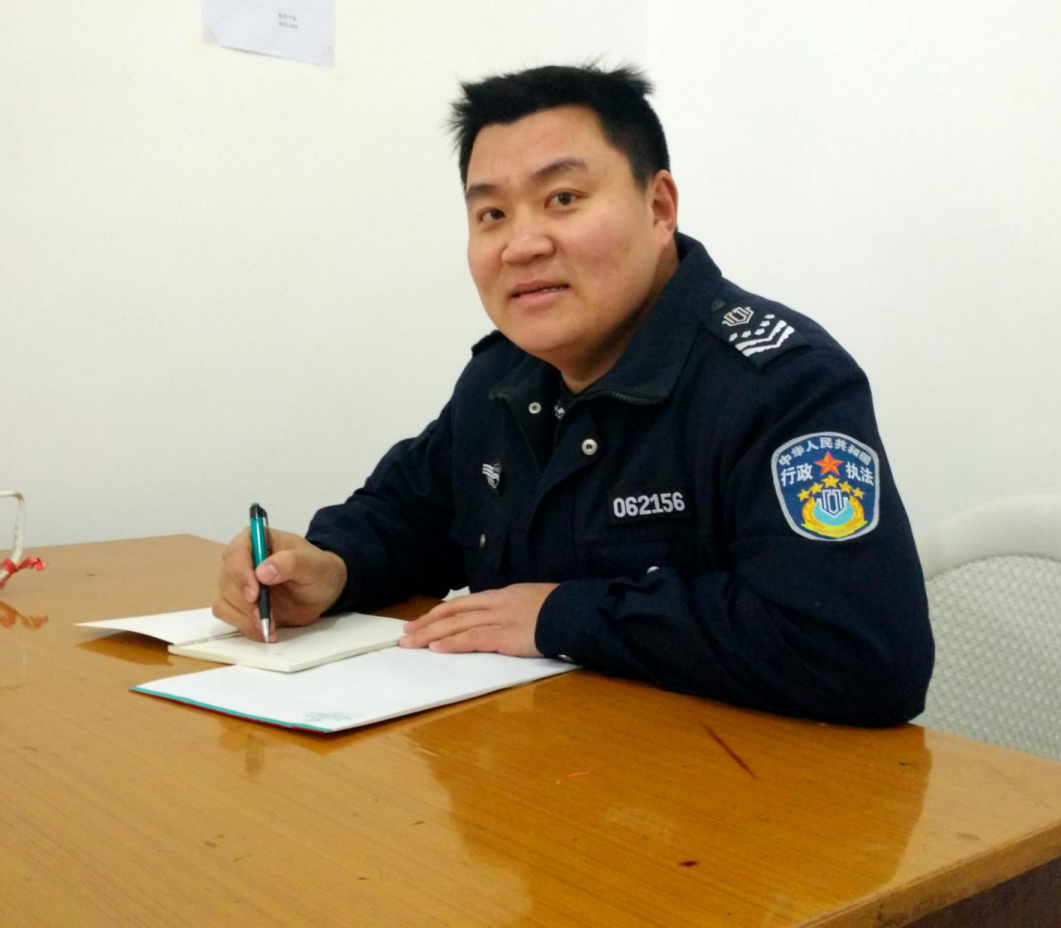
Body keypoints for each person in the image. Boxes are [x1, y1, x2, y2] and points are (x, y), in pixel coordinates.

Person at [213, 64, 932, 727]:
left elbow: (860, 653)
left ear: (659, 207)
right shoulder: (503, 377)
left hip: (725, 795)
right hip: (542, 775)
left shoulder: (779, 384)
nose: (521, 244)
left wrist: (562, 616)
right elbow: (410, 514)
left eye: (562, 199)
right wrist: (329, 567)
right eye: (492, 214)